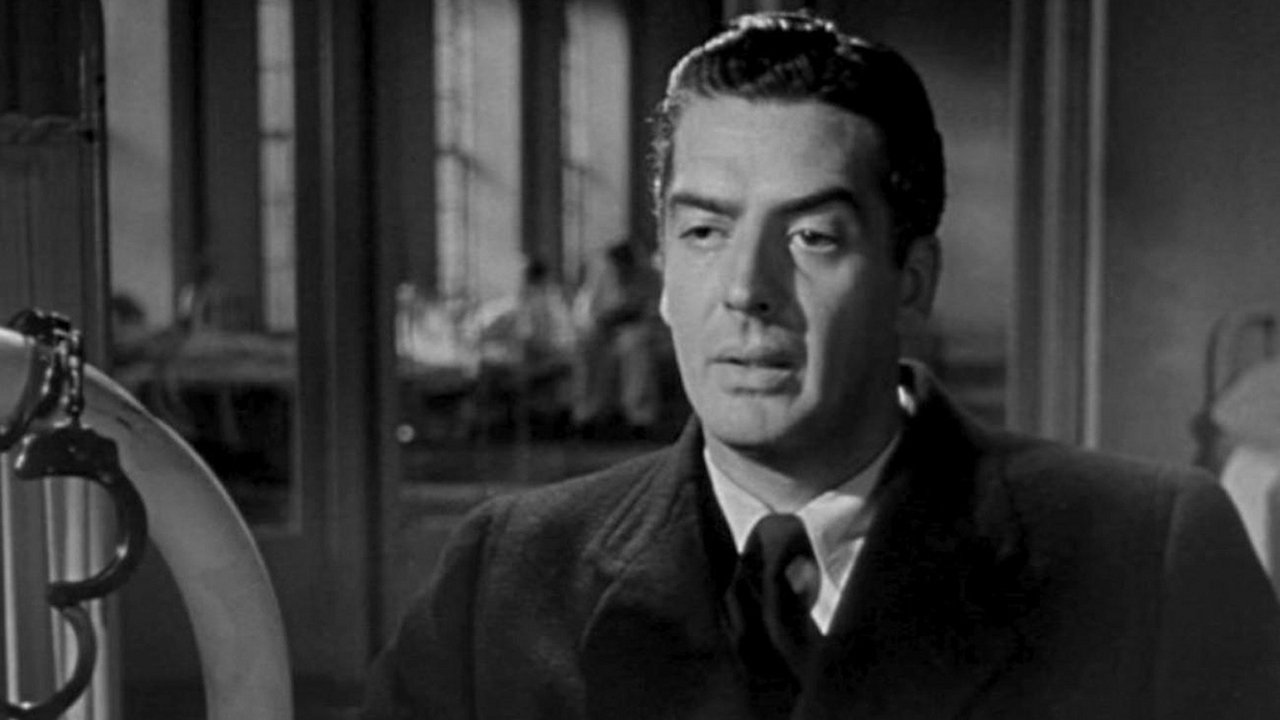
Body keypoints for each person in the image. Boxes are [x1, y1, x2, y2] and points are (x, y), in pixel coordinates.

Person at [362, 12, 1280, 719]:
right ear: (666, 275)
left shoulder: (1147, 558)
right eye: (705, 231)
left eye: (811, 237)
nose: (746, 290)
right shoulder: (505, 577)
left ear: (911, 282)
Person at [570, 239, 665, 436]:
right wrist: (607, 321)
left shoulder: (650, 277)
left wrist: (628, 314)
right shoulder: (606, 279)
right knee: (589, 344)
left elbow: (652, 311)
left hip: (643, 331)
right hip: (611, 331)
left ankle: (638, 416)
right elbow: (596, 313)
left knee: (632, 345)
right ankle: (589, 413)